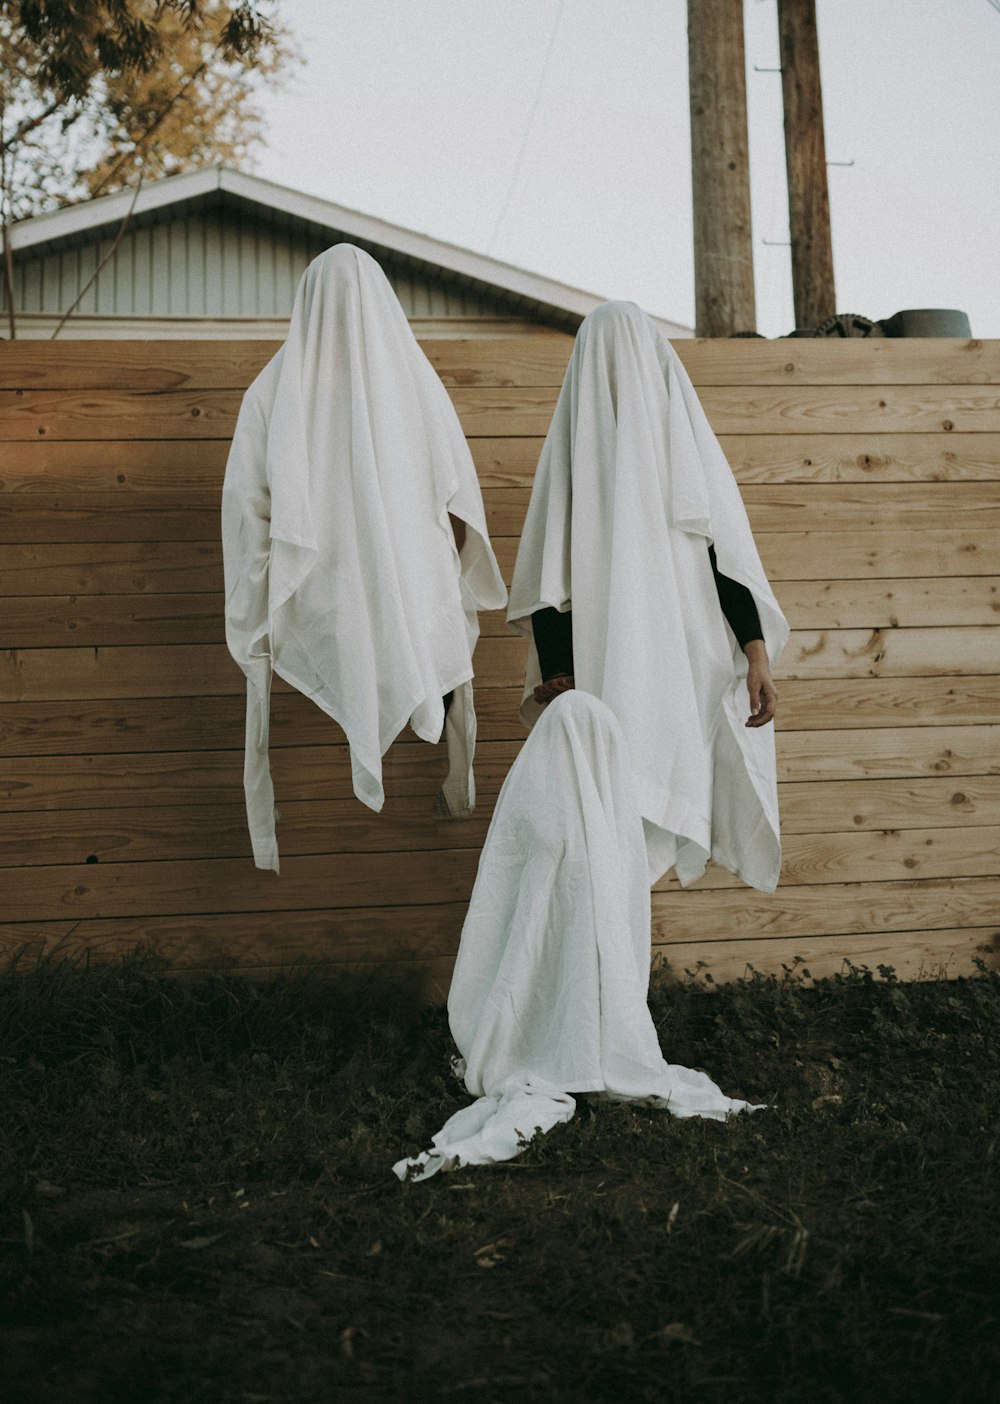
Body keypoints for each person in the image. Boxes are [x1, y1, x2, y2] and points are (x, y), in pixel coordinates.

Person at [393, 690, 762, 1182]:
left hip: (541, 978)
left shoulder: (539, 802)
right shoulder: (589, 817)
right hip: (568, 973)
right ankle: (577, 1045)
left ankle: (553, 1042)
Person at [222, 244, 507, 872]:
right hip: (400, 594)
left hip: (322, 600)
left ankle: (444, 777)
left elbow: (247, 518)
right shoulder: (418, 388)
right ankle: (454, 781)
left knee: (396, 637)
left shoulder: (270, 393)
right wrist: (439, 585)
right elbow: (462, 507)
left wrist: (270, 602)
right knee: (439, 651)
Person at [506, 301, 790, 894]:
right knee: (603, 829)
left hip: (683, 660)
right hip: (603, 670)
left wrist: (756, 654)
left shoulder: (683, 453)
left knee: (651, 794)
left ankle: (624, 973)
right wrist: (559, 671)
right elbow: (552, 578)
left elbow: (724, 560)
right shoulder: (571, 462)